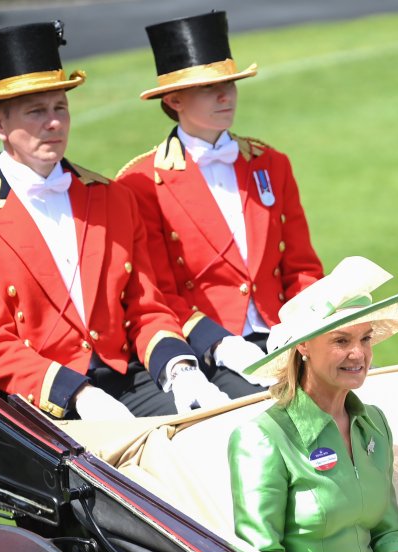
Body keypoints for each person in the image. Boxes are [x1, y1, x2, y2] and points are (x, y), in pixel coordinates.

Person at [0, 20, 227, 436]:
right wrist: (79, 394)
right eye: (36, 112)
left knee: (218, 435)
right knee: (141, 486)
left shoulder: (112, 198)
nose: (54, 123)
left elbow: (146, 307)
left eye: (60, 108)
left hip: (120, 379)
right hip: (24, 398)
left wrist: (180, 370)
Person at [116, 11, 324, 400]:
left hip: (285, 334)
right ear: (175, 99)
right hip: (209, 347)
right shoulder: (140, 183)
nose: (226, 95)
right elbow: (158, 294)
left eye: (230, 84)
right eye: (210, 88)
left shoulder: (270, 162)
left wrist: (306, 322)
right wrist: (220, 344)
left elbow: (301, 266)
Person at [229, 257, 398, 552]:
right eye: (341, 341)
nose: (359, 354)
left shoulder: (374, 423)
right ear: (304, 346)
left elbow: (388, 530)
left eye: (365, 339)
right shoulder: (261, 438)